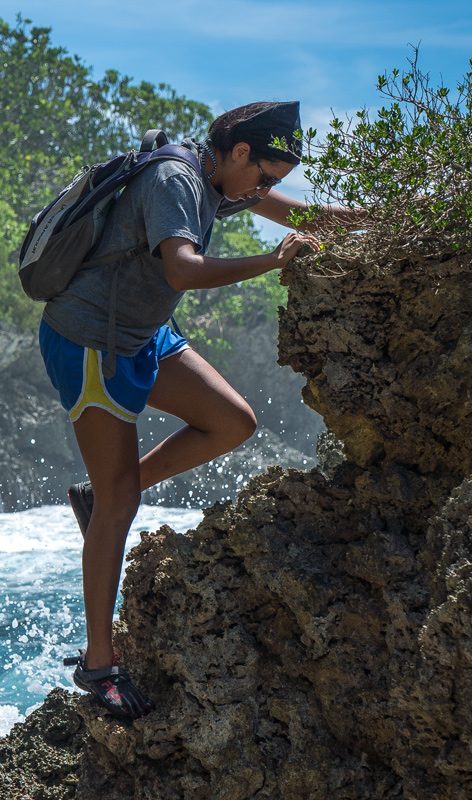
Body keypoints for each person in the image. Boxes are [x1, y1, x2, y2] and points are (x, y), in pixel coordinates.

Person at [39, 101, 353, 721]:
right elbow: (181, 269)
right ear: (240, 152)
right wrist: (272, 262)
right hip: (91, 341)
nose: (265, 191)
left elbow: (303, 213)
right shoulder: (177, 179)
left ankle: (103, 497)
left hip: (143, 331)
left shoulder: (221, 179)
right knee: (123, 500)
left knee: (233, 421)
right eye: (264, 177)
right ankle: (99, 663)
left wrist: (391, 219)